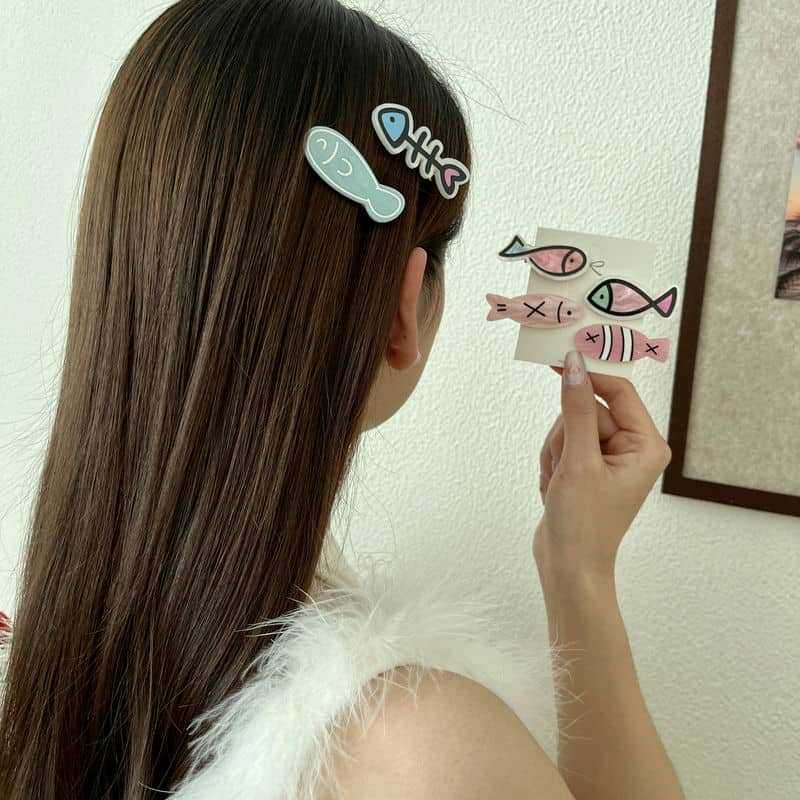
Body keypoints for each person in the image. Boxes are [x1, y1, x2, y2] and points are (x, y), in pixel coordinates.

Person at [0, 1, 685, 798]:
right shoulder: (418, 746)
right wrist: (582, 575)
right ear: (403, 307)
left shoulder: (48, 666)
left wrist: (572, 559)